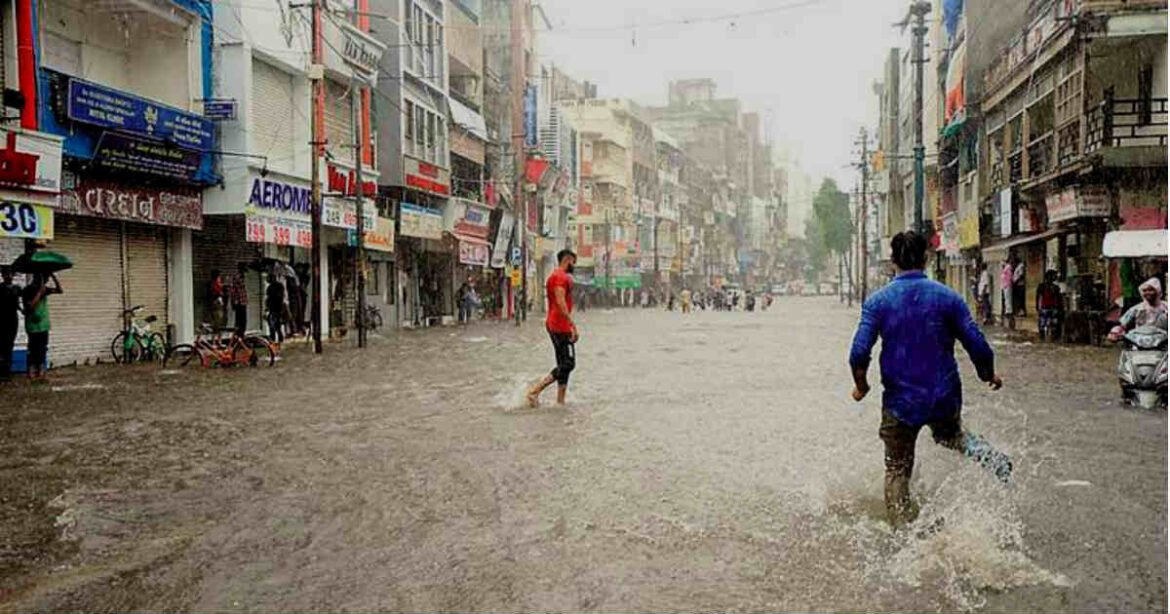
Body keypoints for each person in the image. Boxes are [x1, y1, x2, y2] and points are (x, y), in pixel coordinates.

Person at [849, 231, 1010, 528]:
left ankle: (902, 536)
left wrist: (861, 386)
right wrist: (989, 375)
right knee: (952, 437)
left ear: (893, 261)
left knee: (897, 468)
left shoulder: (878, 302)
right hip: (943, 396)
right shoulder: (948, 297)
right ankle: (994, 460)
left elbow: (859, 352)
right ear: (925, 259)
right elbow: (976, 343)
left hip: (899, 403)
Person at [527, 249, 579, 407]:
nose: (573, 266)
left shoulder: (555, 276)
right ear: (567, 260)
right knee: (569, 364)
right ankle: (535, 391)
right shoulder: (560, 277)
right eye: (573, 262)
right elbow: (560, 301)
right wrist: (572, 325)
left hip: (554, 324)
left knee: (563, 363)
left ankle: (560, 401)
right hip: (560, 326)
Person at [22, 272, 62, 380]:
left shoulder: (45, 289)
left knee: (42, 349)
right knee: (33, 349)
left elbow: (59, 290)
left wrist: (54, 277)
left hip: (44, 325)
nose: (45, 282)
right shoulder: (28, 290)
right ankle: (31, 372)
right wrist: (39, 293)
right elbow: (29, 307)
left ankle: (41, 372)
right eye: (44, 279)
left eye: (47, 279)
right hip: (32, 326)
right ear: (37, 278)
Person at [0, 266, 21, 381]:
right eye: (6, 274)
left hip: (13, 319)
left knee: (9, 345)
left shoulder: (17, 289)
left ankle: (7, 372)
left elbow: (17, 303)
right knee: (1, 346)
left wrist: (23, 310)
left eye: (10, 274)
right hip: (1, 319)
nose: (8, 276)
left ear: (13, 275)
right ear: (2, 275)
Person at [1036, 270, 1064, 341]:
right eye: (1054, 276)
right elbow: (1038, 298)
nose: (1055, 277)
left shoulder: (1053, 287)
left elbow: (1059, 299)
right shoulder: (1053, 287)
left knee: (1046, 325)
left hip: (1049, 308)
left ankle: (1045, 337)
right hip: (1048, 308)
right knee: (1051, 325)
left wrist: (1037, 307)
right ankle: (1050, 337)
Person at [229, 262, 249, 335]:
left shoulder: (242, 277)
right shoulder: (237, 277)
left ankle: (241, 335)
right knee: (239, 321)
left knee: (243, 321)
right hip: (239, 302)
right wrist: (234, 302)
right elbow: (233, 290)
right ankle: (238, 336)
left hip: (243, 301)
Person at [265, 273, 285, 343]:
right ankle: (279, 338)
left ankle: (273, 338)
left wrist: (267, 308)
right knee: (276, 324)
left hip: (273, 308)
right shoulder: (280, 286)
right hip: (277, 308)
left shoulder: (271, 288)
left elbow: (268, 298)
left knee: (273, 325)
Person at [1000, 259, 1015, 326]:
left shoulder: (1008, 268)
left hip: (1007, 285)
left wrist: (1008, 284)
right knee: (1006, 299)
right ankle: (1008, 310)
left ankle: (1009, 311)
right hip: (1005, 286)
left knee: (1008, 299)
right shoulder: (1005, 269)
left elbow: (1009, 277)